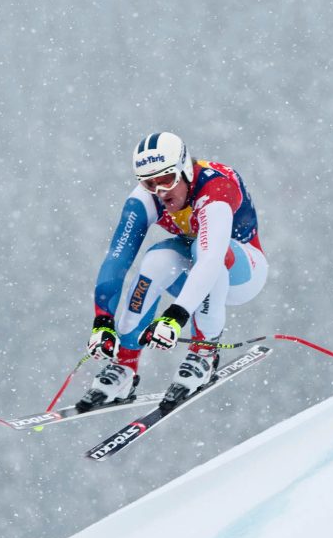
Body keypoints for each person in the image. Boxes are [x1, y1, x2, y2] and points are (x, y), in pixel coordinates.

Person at [77, 131, 268, 412]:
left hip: (243, 271)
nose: (160, 191)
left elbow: (211, 258)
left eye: (167, 179)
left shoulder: (215, 188)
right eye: (148, 183)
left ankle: (204, 353)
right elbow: (117, 260)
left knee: (204, 251)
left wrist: (174, 316)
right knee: (156, 259)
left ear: (186, 170)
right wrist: (102, 322)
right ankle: (124, 365)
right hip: (195, 275)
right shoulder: (144, 199)